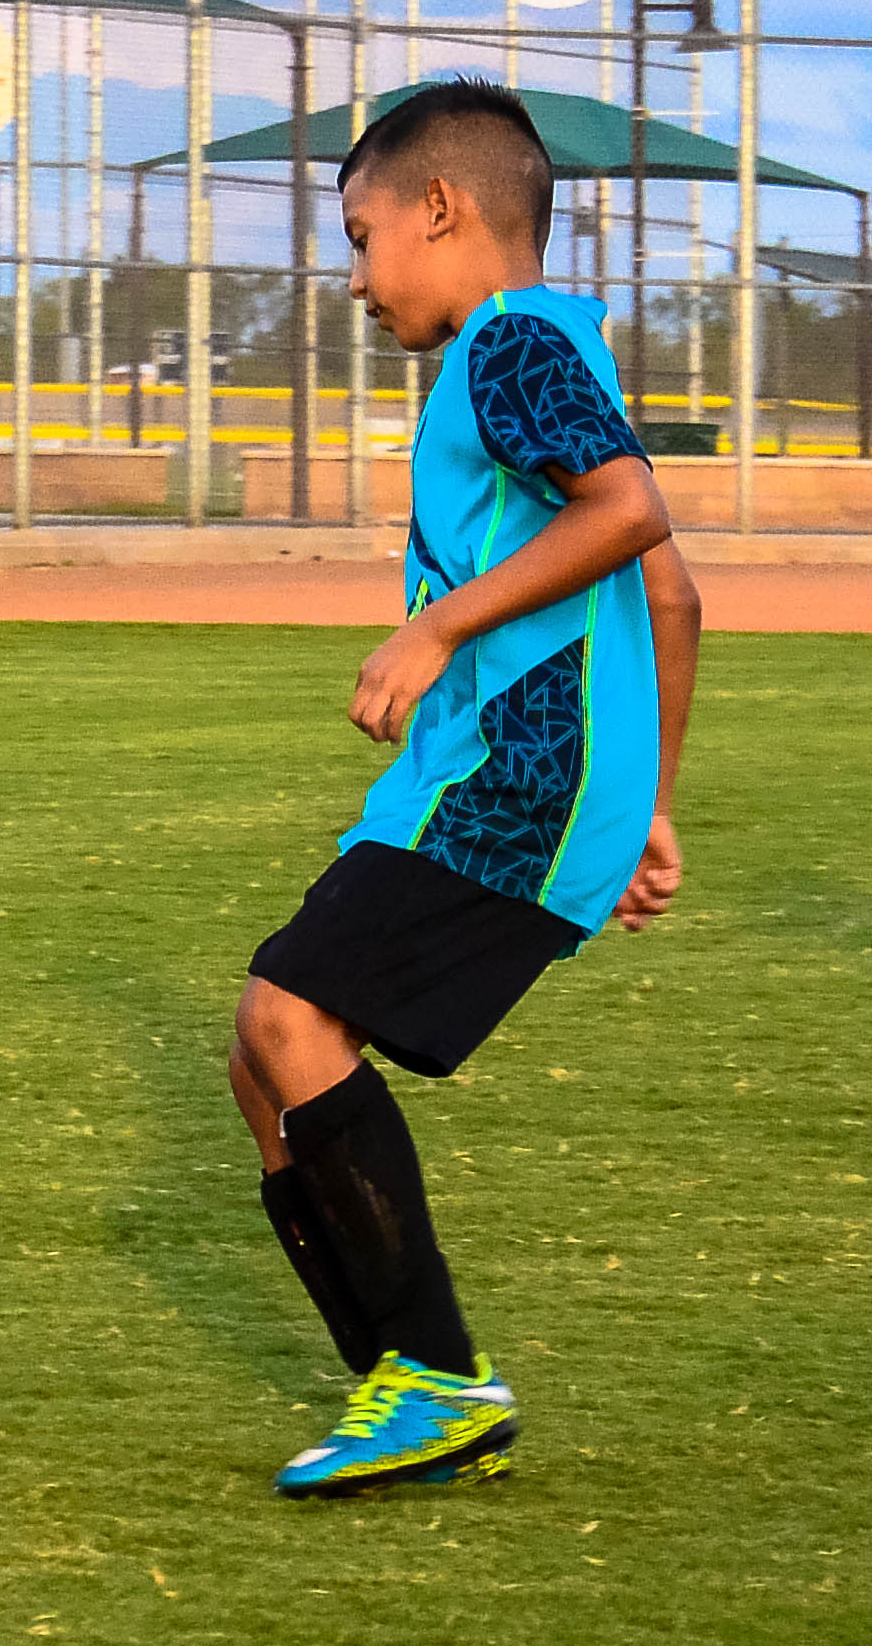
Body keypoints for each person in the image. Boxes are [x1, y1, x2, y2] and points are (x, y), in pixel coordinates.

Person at [228, 82, 699, 1496]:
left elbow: (634, 516)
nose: (358, 280)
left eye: (364, 238)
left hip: (513, 775)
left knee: (287, 1014)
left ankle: (434, 1377)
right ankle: (406, 1387)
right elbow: (672, 597)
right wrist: (651, 798)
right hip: (519, 779)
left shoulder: (507, 343)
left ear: (443, 209)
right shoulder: (535, 355)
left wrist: (435, 628)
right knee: (264, 1063)